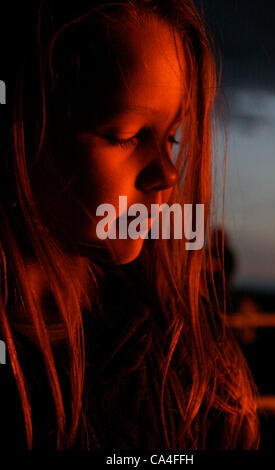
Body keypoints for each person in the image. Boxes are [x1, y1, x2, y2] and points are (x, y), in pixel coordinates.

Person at [0, 0, 259, 450]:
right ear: (23, 127)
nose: (170, 174)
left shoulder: (184, 364)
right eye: (127, 135)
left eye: (172, 137)